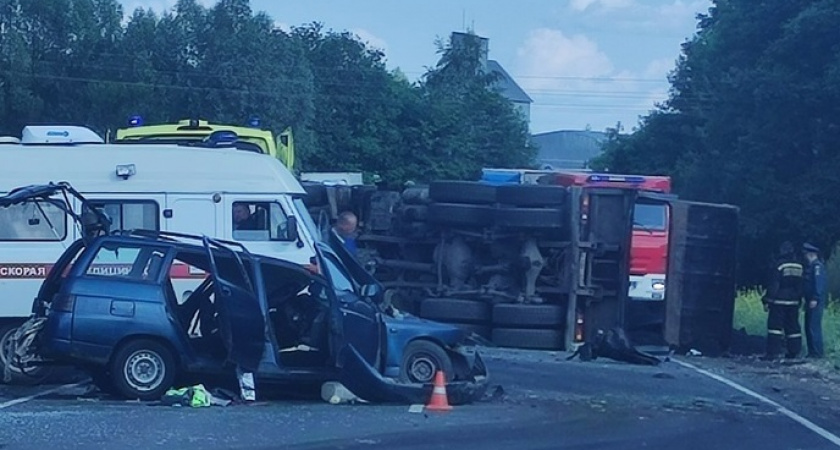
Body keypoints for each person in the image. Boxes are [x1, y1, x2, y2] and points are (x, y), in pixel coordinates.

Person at [760, 241, 804, 360]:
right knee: (793, 327)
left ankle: (773, 353)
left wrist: (767, 299)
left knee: (775, 327)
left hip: (779, 301)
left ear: (782, 251)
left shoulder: (779, 265)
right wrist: (799, 299)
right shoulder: (799, 266)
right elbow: (801, 285)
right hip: (794, 302)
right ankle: (794, 352)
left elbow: (774, 285)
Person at [803, 242, 826, 358]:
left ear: (811, 254)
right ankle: (811, 352)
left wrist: (815, 298)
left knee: (813, 326)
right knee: (808, 326)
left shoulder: (817, 266)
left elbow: (818, 284)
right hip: (809, 300)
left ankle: (817, 353)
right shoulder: (811, 267)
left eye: (806, 254)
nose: (805, 256)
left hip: (815, 301)